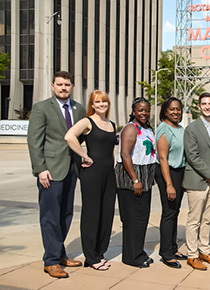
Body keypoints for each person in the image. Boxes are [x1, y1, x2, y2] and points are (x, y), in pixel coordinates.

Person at [28, 71, 86, 278]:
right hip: (50, 171)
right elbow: (34, 141)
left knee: (66, 214)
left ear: (72, 86)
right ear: (53, 86)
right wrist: (40, 169)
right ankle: (50, 261)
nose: (63, 88)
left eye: (67, 84)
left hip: (72, 169)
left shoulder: (79, 109)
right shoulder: (42, 108)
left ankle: (60, 253)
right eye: (60, 84)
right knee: (50, 216)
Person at [65, 90, 117, 271]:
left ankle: (99, 253)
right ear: (92, 105)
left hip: (109, 174)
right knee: (92, 214)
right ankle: (91, 256)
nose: (101, 104)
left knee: (107, 213)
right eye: (97, 102)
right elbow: (69, 137)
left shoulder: (112, 124)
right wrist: (83, 156)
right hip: (92, 173)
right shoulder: (87, 121)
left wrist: (114, 163)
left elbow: (111, 150)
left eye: (104, 101)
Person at [115, 97, 156, 268]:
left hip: (144, 178)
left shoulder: (146, 128)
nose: (144, 113)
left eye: (146, 110)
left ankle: (137, 252)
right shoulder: (131, 128)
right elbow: (125, 155)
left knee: (141, 219)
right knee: (133, 219)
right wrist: (135, 179)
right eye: (140, 110)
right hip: (131, 179)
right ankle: (131, 257)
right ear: (133, 111)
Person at [183, 92, 210, 271]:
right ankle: (192, 255)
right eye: (204, 103)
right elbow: (192, 155)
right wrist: (208, 173)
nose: (207, 106)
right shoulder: (192, 128)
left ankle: (204, 250)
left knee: (206, 220)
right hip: (197, 181)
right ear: (199, 106)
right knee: (194, 220)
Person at [155, 97, 187, 269]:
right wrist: (169, 184)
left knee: (175, 211)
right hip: (168, 173)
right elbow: (162, 158)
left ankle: (173, 248)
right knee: (168, 212)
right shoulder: (164, 128)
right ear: (165, 111)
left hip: (179, 172)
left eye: (178, 109)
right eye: (172, 109)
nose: (176, 112)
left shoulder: (180, 128)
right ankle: (166, 253)